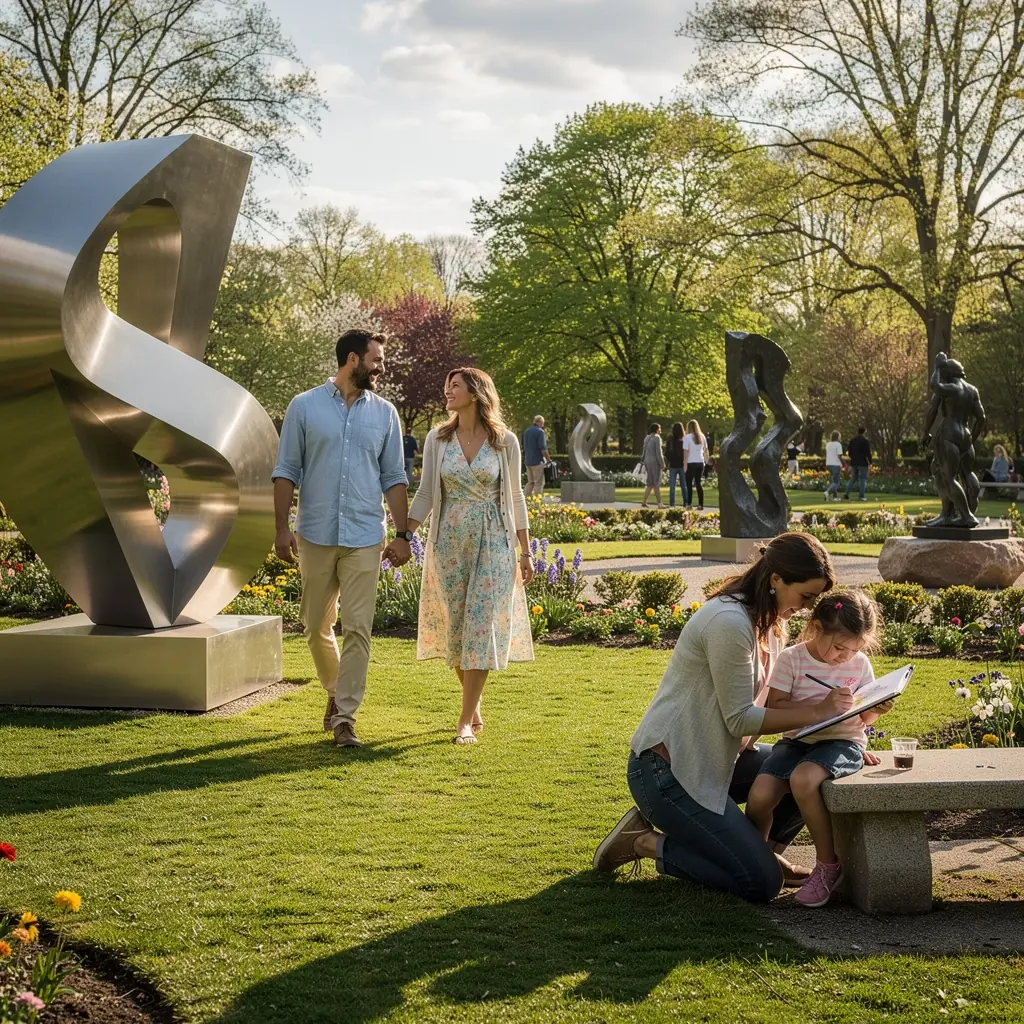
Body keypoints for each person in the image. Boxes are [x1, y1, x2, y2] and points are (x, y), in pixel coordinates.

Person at [593, 533, 856, 903]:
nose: (808, 608)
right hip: (666, 773)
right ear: (776, 579)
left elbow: (772, 705)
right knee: (760, 885)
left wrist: (853, 719)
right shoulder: (729, 623)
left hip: (718, 761)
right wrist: (818, 710)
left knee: (810, 768)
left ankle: (764, 853)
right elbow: (739, 720)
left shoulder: (771, 623)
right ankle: (644, 842)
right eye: (806, 596)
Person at [272, 329, 411, 749]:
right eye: (376, 360)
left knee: (358, 628)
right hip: (315, 533)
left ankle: (345, 718)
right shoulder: (304, 406)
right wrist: (281, 527)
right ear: (353, 360)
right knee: (315, 625)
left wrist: (403, 534)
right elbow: (286, 470)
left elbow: (394, 476)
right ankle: (334, 691)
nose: (381, 367)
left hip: (365, 534)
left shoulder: (385, 413)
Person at [409, 368, 536, 745]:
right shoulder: (438, 438)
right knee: (456, 629)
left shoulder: (504, 441)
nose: (447, 391)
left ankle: (464, 721)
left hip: (494, 541)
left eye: (455, 386)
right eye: (447, 386)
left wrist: (526, 551)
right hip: (448, 543)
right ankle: (474, 704)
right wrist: (404, 535)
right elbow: (426, 493)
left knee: (481, 627)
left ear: (476, 393)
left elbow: (516, 496)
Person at [745, 590, 893, 908]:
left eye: (855, 649)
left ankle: (827, 866)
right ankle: (758, 860)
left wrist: (877, 708)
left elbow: (863, 717)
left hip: (843, 742)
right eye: (839, 647)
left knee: (803, 779)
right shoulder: (792, 659)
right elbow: (776, 706)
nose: (845, 657)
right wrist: (820, 707)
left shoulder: (859, 664)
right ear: (815, 627)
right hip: (797, 741)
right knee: (759, 796)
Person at [682, 419, 708, 510]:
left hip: (690, 463)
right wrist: (705, 460)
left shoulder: (687, 437)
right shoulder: (702, 436)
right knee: (698, 484)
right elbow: (706, 450)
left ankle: (689, 504)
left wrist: (685, 464)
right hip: (700, 462)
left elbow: (686, 452)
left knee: (689, 485)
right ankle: (701, 504)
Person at [522, 415, 549, 498]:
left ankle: (526, 500)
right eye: (542, 423)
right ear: (539, 422)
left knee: (530, 482)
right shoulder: (540, 432)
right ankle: (537, 501)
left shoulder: (526, 431)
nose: (543, 425)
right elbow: (543, 448)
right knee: (539, 483)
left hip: (528, 461)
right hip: (537, 461)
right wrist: (548, 460)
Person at [843, 427, 871, 501]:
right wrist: (870, 462)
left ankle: (846, 493)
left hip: (854, 462)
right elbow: (868, 453)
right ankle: (861, 496)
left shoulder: (853, 441)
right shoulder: (865, 441)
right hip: (862, 462)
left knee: (853, 478)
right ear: (864, 432)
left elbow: (850, 452)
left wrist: (853, 457)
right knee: (862, 478)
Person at [641, 423, 664, 508]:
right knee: (656, 483)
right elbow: (659, 453)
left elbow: (643, 451)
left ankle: (644, 502)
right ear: (657, 429)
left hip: (647, 461)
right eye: (660, 428)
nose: (660, 430)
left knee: (650, 483)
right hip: (655, 462)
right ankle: (660, 504)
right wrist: (662, 464)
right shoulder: (657, 438)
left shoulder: (647, 438)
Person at [666, 423, 685, 507]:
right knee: (684, 485)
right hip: (682, 464)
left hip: (673, 464)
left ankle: (672, 503)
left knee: (672, 486)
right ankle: (686, 502)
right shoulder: (684, 439)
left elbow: (666, 452)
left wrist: (670, 460)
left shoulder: (670, 439)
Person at [823, 430, 844, 502]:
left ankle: (835, 497)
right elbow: (839, 456)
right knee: (836, 482)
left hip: (828, 464)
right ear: (837, 437)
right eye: (839, 437)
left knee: (834, 481)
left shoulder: (828, 444)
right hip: (836, 464)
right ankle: (827, 492)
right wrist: (845, 464)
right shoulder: (838, 445)